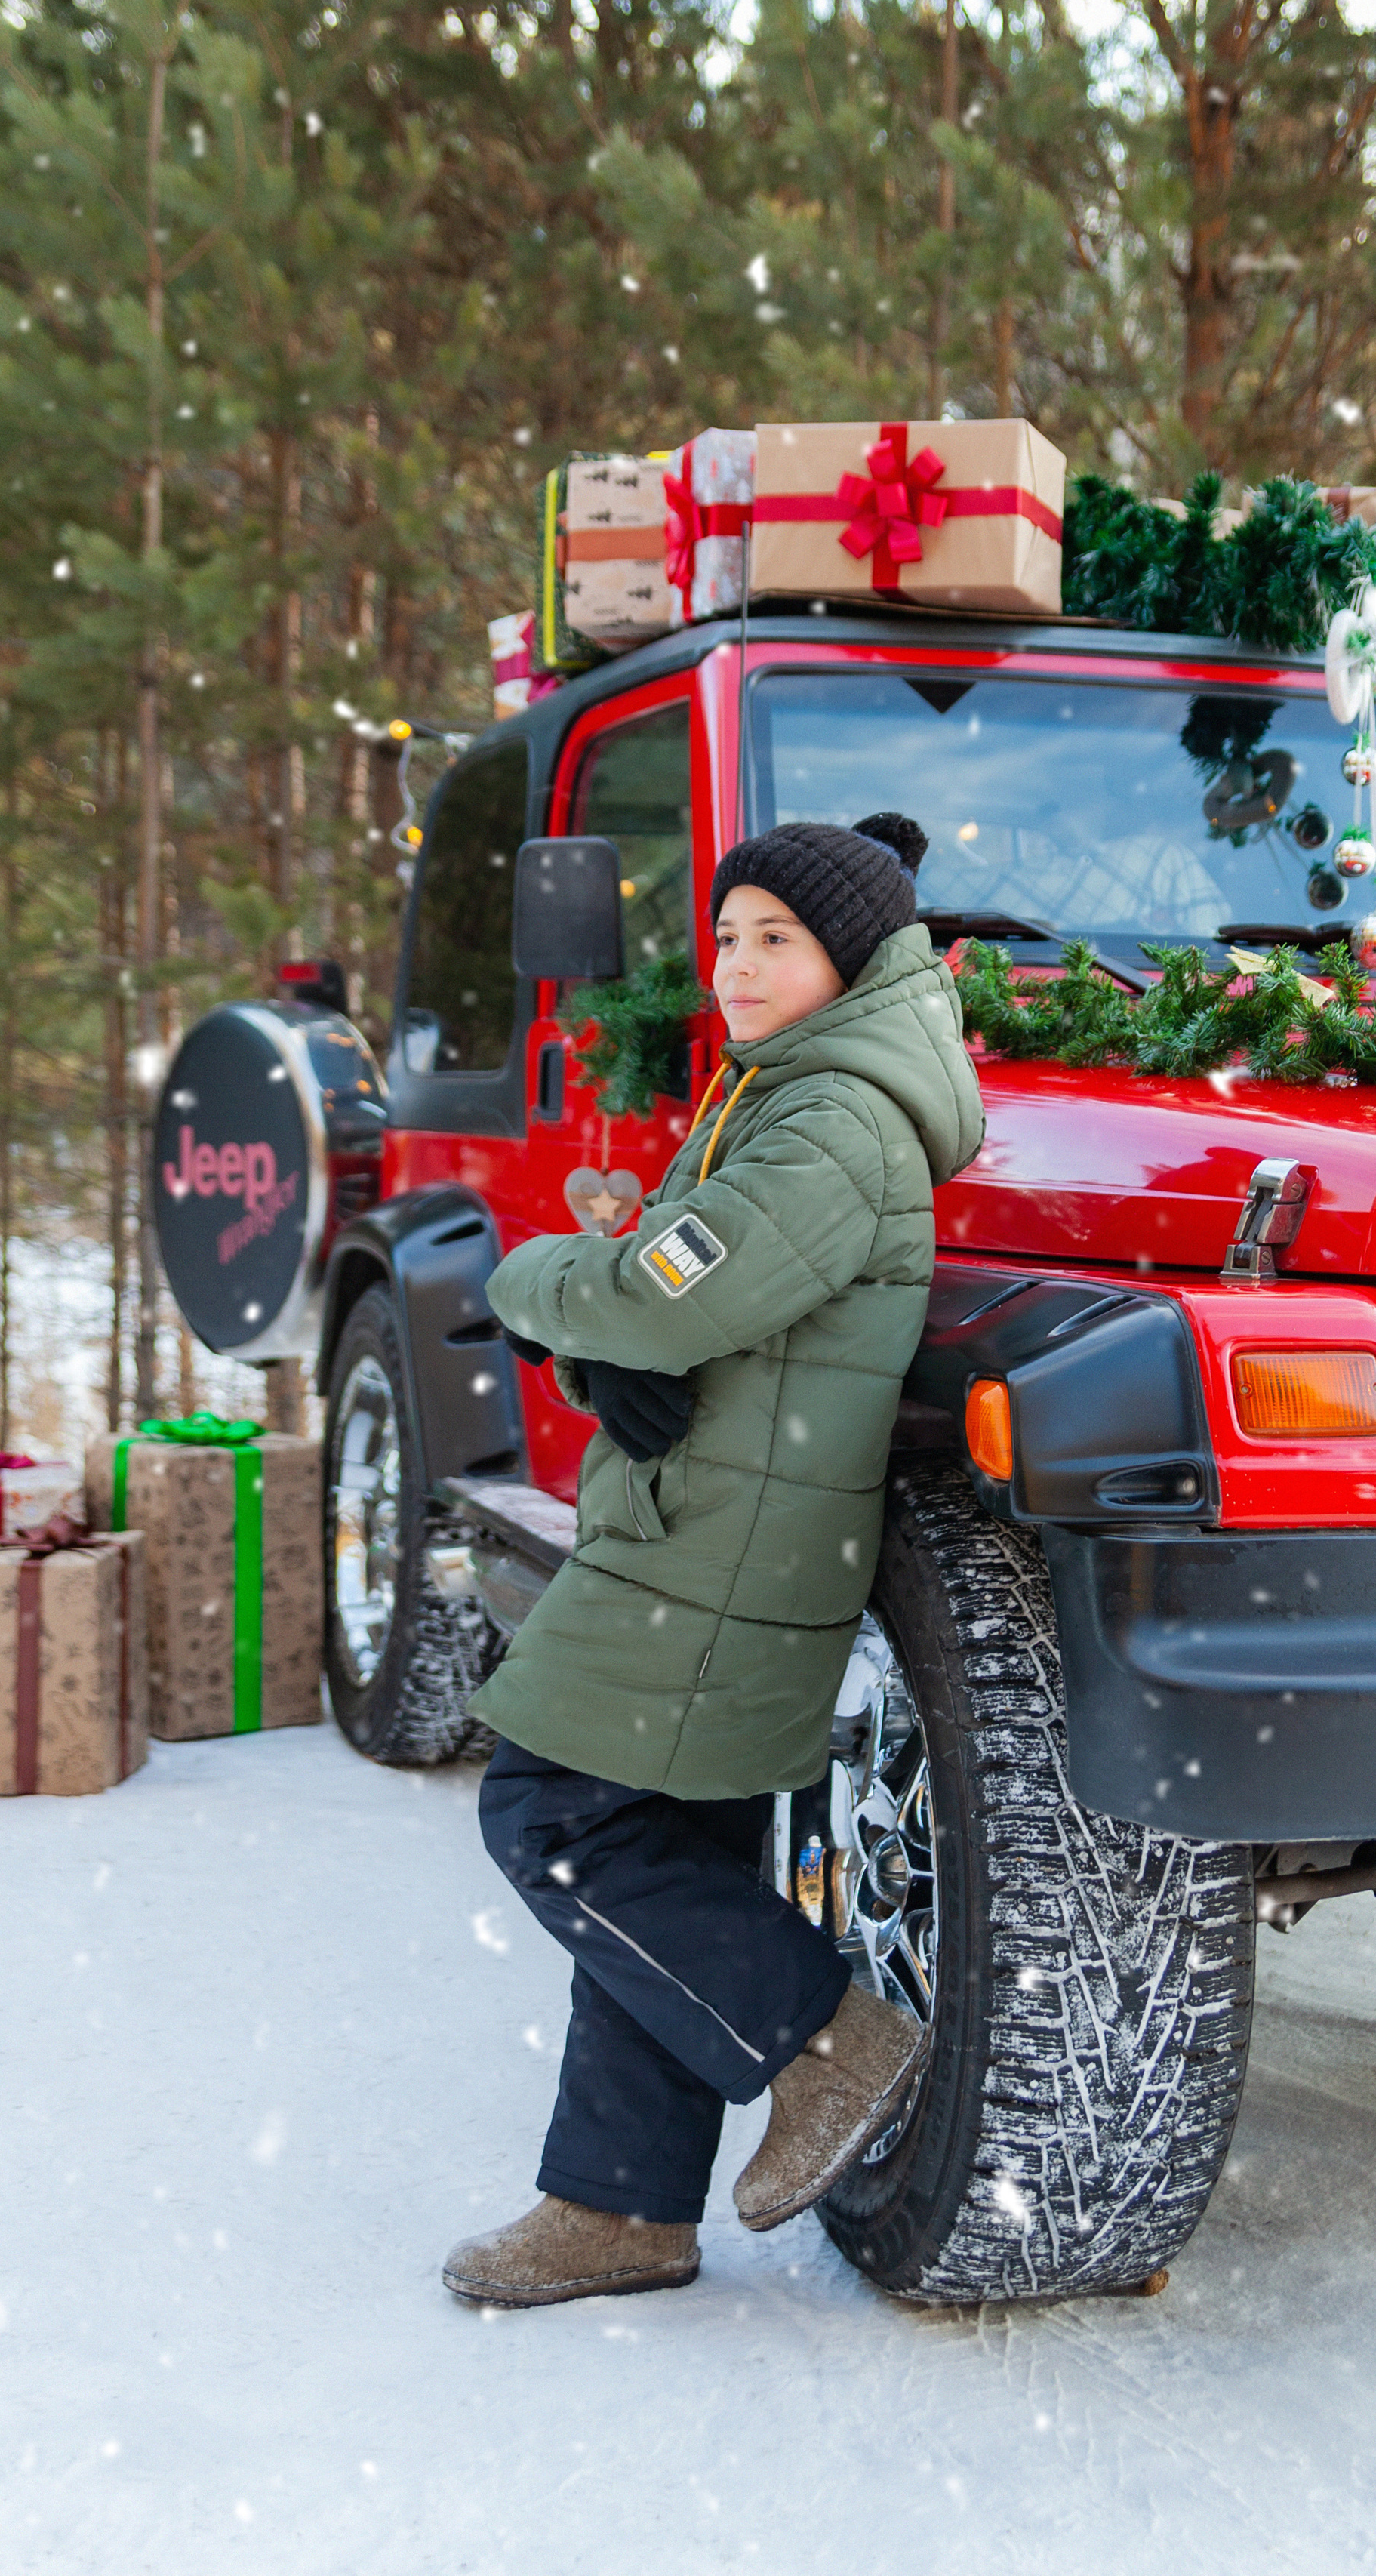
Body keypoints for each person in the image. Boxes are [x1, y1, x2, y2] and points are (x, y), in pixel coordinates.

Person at [444, 812, 986, 2309]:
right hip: (705, 1518)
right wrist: (607, 1354)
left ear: (854, 962)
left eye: (776, 939)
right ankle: (618, 2206)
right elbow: (682, 1313)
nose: (736, 965)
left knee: (552, 1816)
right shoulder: (787, 1090)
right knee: (661, 1850)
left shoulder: (834, 1120)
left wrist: (537, 1283)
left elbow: (657, 1298)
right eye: (727, 933)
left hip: (718, 1552)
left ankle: (824, 2039)